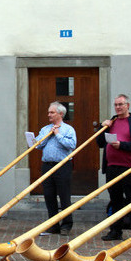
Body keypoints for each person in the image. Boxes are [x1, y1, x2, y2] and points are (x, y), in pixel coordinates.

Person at [98, 94, 131, 241]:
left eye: (121, 104)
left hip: (129, 168)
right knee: (115, 200)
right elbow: (100, 143)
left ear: (128, 106)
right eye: (116, 105)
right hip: (112, 167)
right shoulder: (111, 122)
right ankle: (115, 231)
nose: (118, 107)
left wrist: (122, 145)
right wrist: (102, 127)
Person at [35, 101, 77, 235]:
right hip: (47, 166)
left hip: (62, 166)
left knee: (64, 195)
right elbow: (38, 145)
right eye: (48, 112)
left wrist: (58, 134)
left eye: (52, 112)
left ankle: (66, 225)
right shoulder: (45, 129)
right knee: (49, 196)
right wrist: (47, 136)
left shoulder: (68, 129)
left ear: (60, 114)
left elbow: (72, 145)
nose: (49, 115)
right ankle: (53, 225)